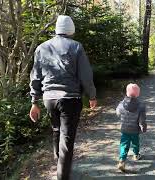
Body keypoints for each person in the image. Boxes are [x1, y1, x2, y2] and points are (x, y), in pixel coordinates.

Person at [29, 15, 97, 180]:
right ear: (71, 29)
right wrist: (92, 95)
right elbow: (85, 76)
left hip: (49, 99)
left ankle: (60, 166)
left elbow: (35, 76)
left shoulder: (41, 48)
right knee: (66, 140)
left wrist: (34, 102)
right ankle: (62, 175)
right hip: (70, 99)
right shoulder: (76, 47)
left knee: (56, 131)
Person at [116, 83, 147, 171]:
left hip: (124, 129)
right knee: (135, 143)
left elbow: (118, 113)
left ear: (126, 93)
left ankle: (122, 160)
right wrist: (143, 127)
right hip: (135, 130)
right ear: (138, 94)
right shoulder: (141, 106)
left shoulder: (121, 104)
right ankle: (136, 155)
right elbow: (142, 120)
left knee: (124, 144)